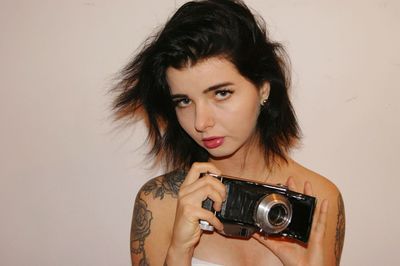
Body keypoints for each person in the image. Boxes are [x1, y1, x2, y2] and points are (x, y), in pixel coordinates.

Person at [112, 0, 345, 265]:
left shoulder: (320, 199)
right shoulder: (159, 203)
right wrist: (179, 252)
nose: (200, 122)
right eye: (184, 101)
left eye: (221, 93)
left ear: (264, 89)